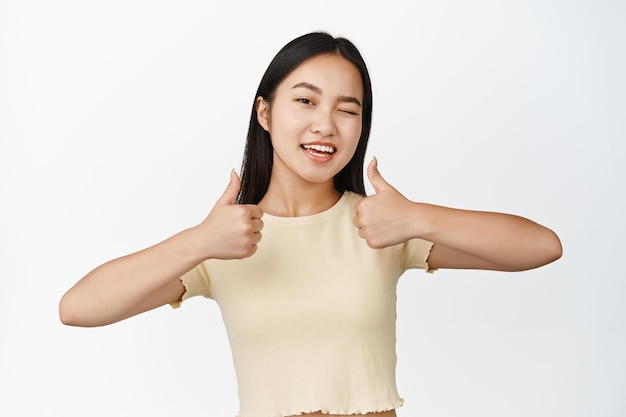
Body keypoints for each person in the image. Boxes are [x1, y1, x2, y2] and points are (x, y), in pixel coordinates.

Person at [59, 32, 562, 417]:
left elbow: (541, 247)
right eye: (305, 101)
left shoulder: (378, 227)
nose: (326, 124)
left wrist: (418, 217)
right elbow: (77, 308)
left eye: (348, 110)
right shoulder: (226, 242)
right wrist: (199, 241)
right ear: (265, 111)